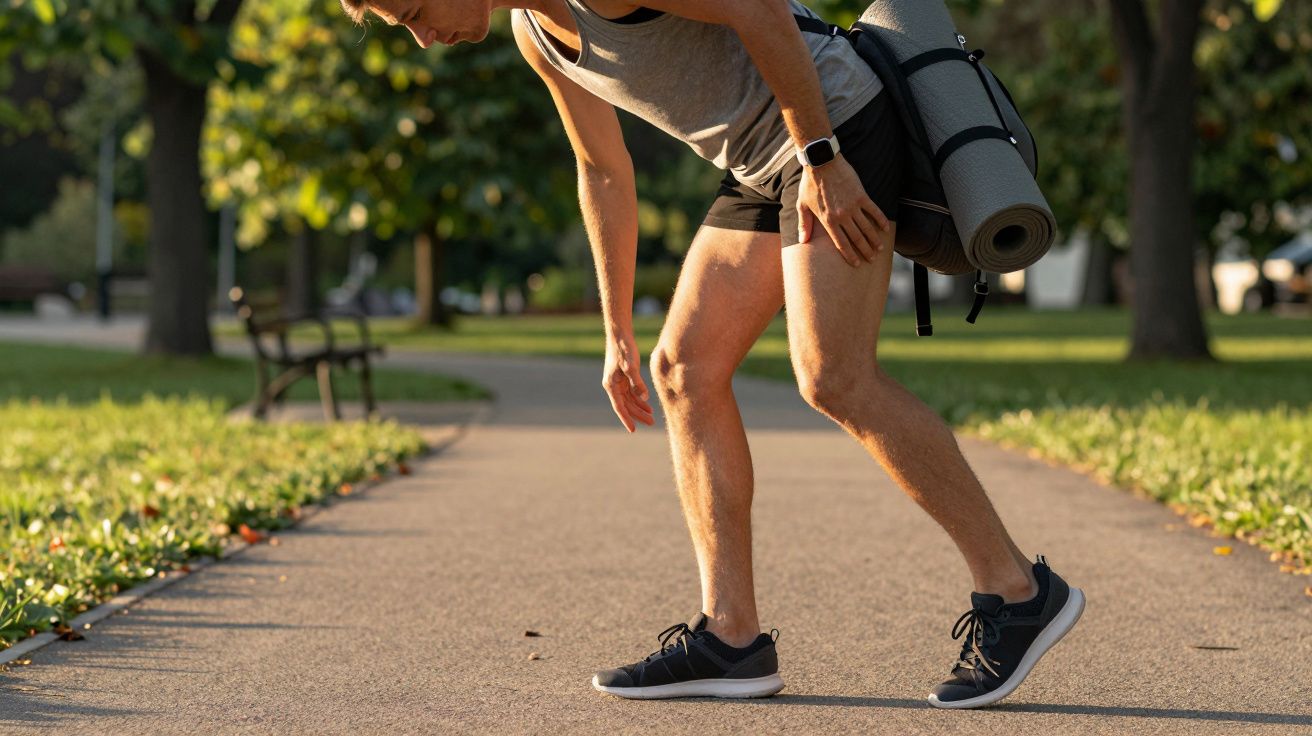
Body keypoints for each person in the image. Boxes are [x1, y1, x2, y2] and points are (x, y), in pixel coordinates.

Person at [338, 0, 1085, 709]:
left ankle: (1019, 592)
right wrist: (615, 327)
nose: (422, 40)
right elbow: (601, 169)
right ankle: (732, 638)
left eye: (412, 14)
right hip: (766, 161)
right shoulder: (535, 35)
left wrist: (824, 160)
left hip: (833, 127)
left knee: (834, 377)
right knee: (682, 370)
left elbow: (758, 9)